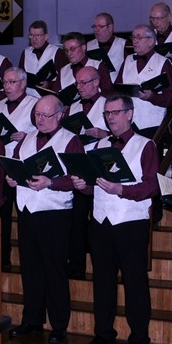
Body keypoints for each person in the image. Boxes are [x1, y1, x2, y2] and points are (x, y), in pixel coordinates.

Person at [73, 94, 158, 344]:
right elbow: (92, 185)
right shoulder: (99, 145)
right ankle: (103, 333)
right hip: (100, 221)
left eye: (116, 112)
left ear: (130, 114)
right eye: (107, 113)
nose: (111, 118)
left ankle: (140, 337)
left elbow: (151, 186)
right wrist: (83, 186)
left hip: (130, 222)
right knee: (102, 280)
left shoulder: (146, 145)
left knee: (135, 281)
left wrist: (121, 189)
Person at [7, 94, 84, 343]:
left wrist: (50, 182)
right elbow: (18, 165)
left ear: (60, 115)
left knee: (54, 270)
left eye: (46, 115)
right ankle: (32, 319)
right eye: (37, 115)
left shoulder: (71, 141)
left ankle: (59, 325)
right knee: (30, 269)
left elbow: (77, 179)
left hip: (55, 213)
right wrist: (12, 176)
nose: (40, 120)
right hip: (27, 210)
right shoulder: (27, 138)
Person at [0, 68, 39, 267]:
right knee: (1, 213)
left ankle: (28, 258)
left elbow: (45, 132)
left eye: (12, 82)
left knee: (25, 213)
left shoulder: (34, 104)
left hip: (23, 166)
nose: (7, 86)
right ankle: (2, 257)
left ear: (23, 83)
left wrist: (27, 137)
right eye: (5, 83)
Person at [64, 66, 109, 277]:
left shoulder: (108, 104)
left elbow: (125, 136)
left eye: (84, 82)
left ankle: (102, 265)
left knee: (99, 219)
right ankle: (76, 265)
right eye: (77, 83)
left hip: (101, 167)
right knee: (76, 219)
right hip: (79, 166)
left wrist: (103, 133)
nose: (79, 87)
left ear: (96, 82)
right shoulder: (72, 107)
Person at [116, 25, 172, 137]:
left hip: (152, 125)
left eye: (139, 37)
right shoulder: (128, 60)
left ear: (151, 41)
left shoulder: (163, 63)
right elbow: (116, 89)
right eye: (133, 37)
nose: (135, 41)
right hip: (128, 123)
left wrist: (152, 97)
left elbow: (171, 97)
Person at [53, 32, 114, 96]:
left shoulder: (99, 66)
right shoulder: (63, 71)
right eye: (66, 50)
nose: (69, 53)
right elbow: (56, 95)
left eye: (72, 49)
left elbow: (108, 93)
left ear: (83, 47)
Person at [19, 20, 66, 95]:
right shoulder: (25, 52)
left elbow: (64, 78)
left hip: (49, 98)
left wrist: (49, 84)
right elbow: (20, 76)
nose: (34, 39)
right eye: (31, 35)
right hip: (29, 97)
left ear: (46, 37)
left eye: (38, 35)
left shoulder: (57, 52)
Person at [86, 12, 127, 83]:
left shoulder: (124, 45)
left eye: (100, 26)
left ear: (110, 27)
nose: (96, 30)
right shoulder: (88, 46)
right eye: (94, 26)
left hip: (115, 90)